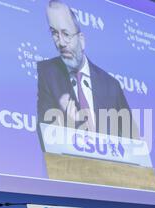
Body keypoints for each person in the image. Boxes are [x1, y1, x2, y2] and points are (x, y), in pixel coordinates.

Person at [37, 0, 138, 142]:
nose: (60, 42)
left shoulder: (111, 85)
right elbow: (45, 135)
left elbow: (133, 141)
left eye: (66, 34)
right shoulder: (47, 73)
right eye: (54, 33)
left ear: (82, 40)